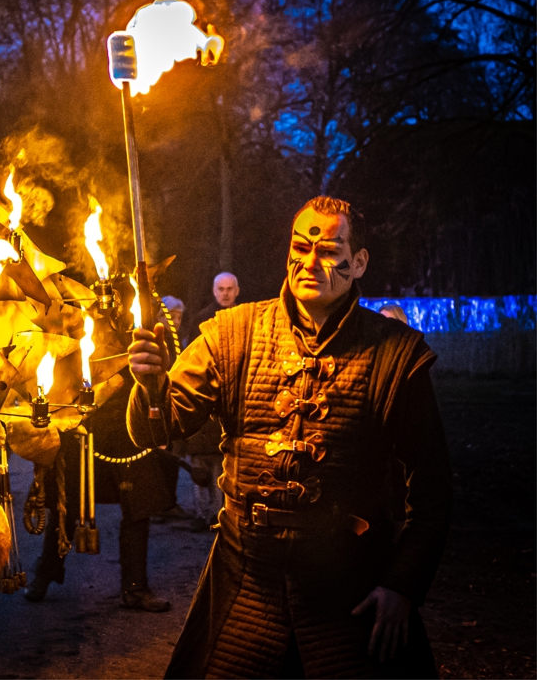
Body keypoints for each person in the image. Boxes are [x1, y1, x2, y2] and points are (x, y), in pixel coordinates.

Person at [127, 196, 452, 678]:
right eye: (300, 247)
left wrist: (403, 584)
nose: (309, 262)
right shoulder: (230, 334)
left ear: (358, 262)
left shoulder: (395, 356)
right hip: (246, 589)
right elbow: (161, 428)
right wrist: (150, 387)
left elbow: (433, 488)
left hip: (351, 594)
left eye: (328, 250)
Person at [25, 277, 173, 612]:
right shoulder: (78, 325)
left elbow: (160, 370)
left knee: (138, 508)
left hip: (129, 431)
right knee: (67, 506)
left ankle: (135, 587)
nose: (112, 305)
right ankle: (46, 572)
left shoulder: (139, 326)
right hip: (84, 429)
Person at [188, 272, 240, 343]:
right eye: (221, 289)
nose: (225, 293)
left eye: (229, 289)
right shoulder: (202, 319)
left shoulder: (243, 317)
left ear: (237, 291)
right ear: (214, 291)